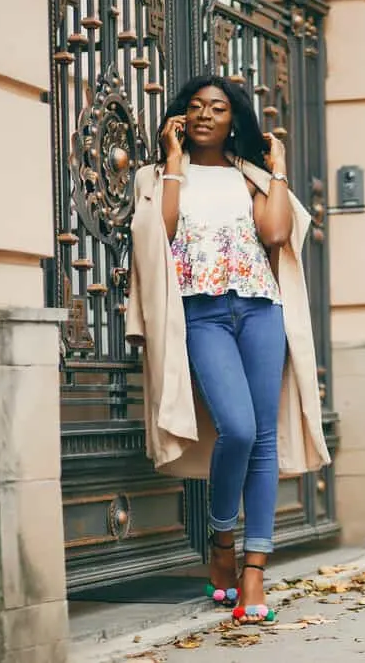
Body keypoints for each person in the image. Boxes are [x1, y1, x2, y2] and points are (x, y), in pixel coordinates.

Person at [124, 75, 331, 625]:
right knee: (236, 428)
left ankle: (255, 568)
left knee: (262, 436)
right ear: (180, 119)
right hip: (201, 311)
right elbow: (158, 237)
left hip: (261, 309)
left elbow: (277, 233)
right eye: (194, 108)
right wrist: (172, 160)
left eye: (216, 108)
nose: (205, 115)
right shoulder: (158, 176)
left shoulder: (250, 178)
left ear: (233, 118)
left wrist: (278, 165)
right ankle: (222, 539)